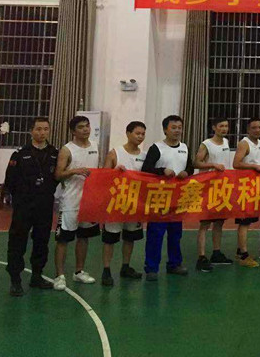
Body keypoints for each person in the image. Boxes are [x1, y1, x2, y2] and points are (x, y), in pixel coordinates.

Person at [4, 117, 58, 296]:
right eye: (38, 129)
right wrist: (16, 198)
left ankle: (37, 275)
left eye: (45, 129)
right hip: (24, 204)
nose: (42, 133)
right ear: (31, 131)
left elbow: (57, 177)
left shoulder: (54, 153)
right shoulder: (20, 153)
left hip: (44, 204)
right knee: (18, 240)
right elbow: (10, 179)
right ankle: (15, 280)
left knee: (42, 240)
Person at [53, 115, 100, 291]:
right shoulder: (67, 150)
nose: (86, 129)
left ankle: (79, 271)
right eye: (81, 127)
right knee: (63, 239)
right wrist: (74, 171)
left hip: (88, 200)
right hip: (70, 201)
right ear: (73, 131)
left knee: (84, 237)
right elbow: (58, 174)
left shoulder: (95, 146)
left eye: (87, 126)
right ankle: (59, 275)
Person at [142, 115, 190, 281]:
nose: (177, 131)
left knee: (176, 234)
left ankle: (174, 264)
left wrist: (187, 172)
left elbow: (190, 166)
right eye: (173, 128)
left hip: (178, 199)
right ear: (165, 130)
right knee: (156, 234)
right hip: (159, 198)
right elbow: (146, 169)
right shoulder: (156, 148)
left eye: (179, 127)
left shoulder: (184, 147)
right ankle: (151, 268)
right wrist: (162, 170)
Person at [100, 121, 147, 287]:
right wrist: (114, 172)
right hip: (116, 203)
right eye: (137, 133)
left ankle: (125, 266)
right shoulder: (115, 153)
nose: (140, 137)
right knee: (110, 238)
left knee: (130, 237)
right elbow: (103, 176)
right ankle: (106, 270)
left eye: (143, 134)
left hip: (135, 203)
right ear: (128, 134)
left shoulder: (144, 155)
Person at [193, 118, 233, 272]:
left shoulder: (226, 142)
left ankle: (216, 252)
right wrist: (213, 165)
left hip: (222, 188)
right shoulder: (206, 144)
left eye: (226, 126)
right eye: (221, 126)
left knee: (219, 222)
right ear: (214, 127)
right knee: (205, 224)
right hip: (208, 188)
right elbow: (196, 163)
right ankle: (201, 257)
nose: (224, 129)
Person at [232, 117, 260, 268]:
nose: (257, 130)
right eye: (254, 128)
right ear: (248, 129)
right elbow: (236, 163)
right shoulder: (244, 143)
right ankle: (243, 255)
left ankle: (240, 250)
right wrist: (254, 167)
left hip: (254, 187)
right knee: (244, 222)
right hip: (244, 187)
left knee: (249, 221)